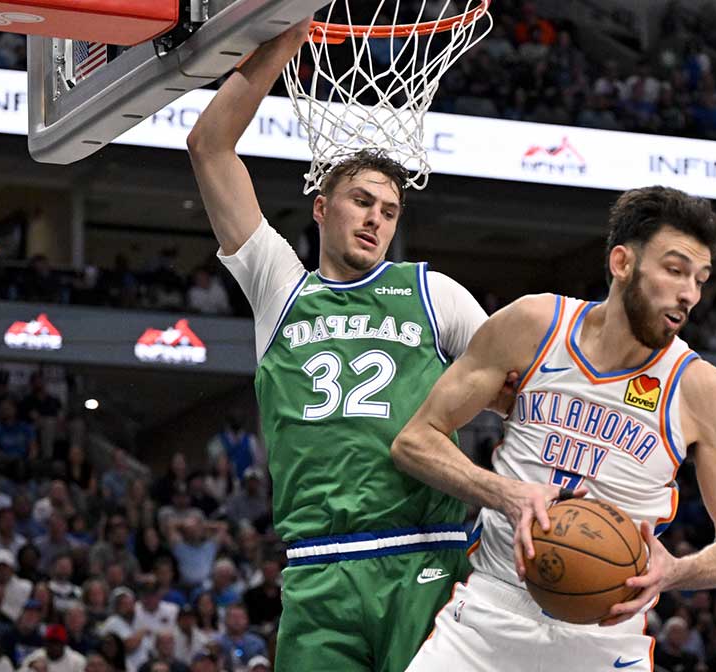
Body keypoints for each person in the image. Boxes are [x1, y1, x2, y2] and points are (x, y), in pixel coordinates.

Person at [186, 19, 500, 672]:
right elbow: (210, 147)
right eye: (361, 201)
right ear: (322, 208)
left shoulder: (432, 292)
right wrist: (284, 39)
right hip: (318, 568)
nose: (375, 218)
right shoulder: (280, 286)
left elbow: (522, 396)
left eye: (388, 211)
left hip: (427, 552)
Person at [393, 186, 716, 670]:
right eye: (674, 270)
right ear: (622, 262)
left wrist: (675, 571)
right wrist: (504, 493)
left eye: (699, 278)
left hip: (603, 638)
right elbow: (415, 441)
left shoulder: (700, 387)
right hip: (490, 614)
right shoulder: (534, 323)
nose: (689, 293)